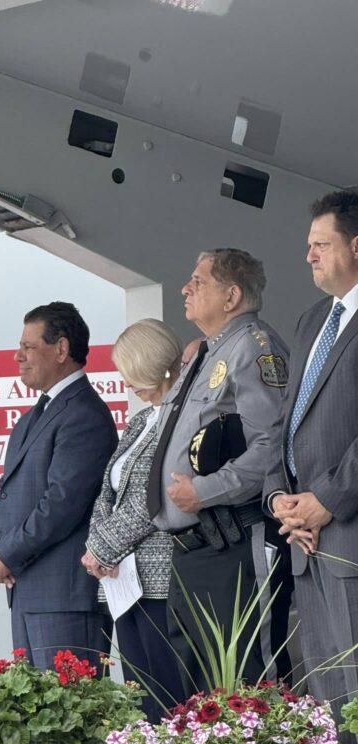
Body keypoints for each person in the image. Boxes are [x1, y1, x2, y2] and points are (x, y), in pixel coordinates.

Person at [148, 249, 292, 690]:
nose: (184, 289)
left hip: (232, 542)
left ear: (230, 296)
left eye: (198, 281)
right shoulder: (207, 352)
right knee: (202, 691)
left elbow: (273, 445)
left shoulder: (253, 347)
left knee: (251, 686)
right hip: (192, 549)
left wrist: (206, 491)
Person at [265, 190, 358, 744]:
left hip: (347, 526)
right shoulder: (308, 322)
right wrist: (279, 497)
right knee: (328, 678)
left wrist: (326, 498)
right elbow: (284, 424)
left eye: (321, 243)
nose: (309, 256)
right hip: (307, 532)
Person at [82, 319, 185, 744]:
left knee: (169, 696)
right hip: (123, 580)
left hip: (158, 576)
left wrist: (105, 548)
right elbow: (110, 493)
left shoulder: (178, 420)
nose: (123, 379)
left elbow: (151, 499)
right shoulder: (141, 420)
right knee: (141, 698)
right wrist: (99, 545)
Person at [0, 301, 117, 669]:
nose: (17, 356)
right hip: (28, 589)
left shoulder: (83, 414)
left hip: (65, 595)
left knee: (70, 718)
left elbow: (61, 504)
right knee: (38, 719)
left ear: (61, 349)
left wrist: (6, 554)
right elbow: (3, 491)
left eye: (28, 346)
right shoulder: (33, 418)